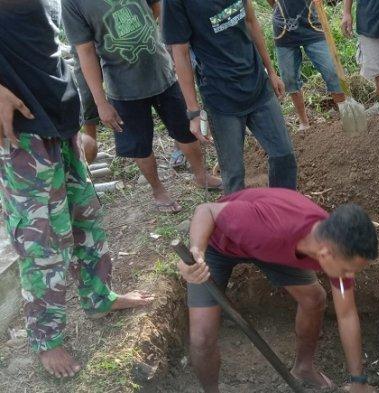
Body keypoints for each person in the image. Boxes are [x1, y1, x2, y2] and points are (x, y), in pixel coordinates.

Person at [0, 0, 153, 379]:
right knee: (40, 240)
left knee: (87, 216)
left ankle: (100, 297)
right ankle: (47, 337)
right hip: (22, 137)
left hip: (59, 119)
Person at [178, 188, 379, 393]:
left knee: (314, 299)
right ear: (325, 255)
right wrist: (197, 252)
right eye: (347, 270)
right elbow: (206, 211)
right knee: (201, 338)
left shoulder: (336, 243)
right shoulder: (268, 227)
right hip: (219, 245)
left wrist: (358, 381)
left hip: (273, 250)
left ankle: (303, 367)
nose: (349, 276)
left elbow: (346, 314)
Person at [61, 0, 222, 213]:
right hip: (123, 88)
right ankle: (158, 191)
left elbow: (157, 5)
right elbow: (85, 52)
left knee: (185, 131)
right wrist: (101, 102)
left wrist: (166, 42)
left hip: (162, 73)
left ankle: (201, 176)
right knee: (140, 145)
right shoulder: (73, 4)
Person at [163, 0, 298, 195]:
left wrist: (271, 70)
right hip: (221, 98)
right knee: (234, 174)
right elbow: (181, 54)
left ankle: (282, 206)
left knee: (283, 155)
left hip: (257, 85)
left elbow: (251, 21)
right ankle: (239, 220)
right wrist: (193, 111)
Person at [268, 0, 345, 130]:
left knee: (332, 70)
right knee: (289, 78)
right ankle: (304, 122)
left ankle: (345, 114)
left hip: (312, 23)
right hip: (283, 29)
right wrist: (278, 7)